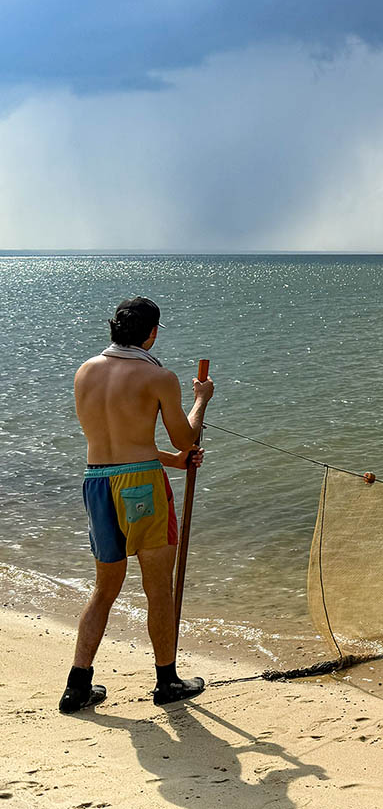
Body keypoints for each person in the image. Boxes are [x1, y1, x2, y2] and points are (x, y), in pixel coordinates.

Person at [59, 297, 215, 713]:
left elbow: (117, 444)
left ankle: (77, 685)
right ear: (152, 333)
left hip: (96, 480)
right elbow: (185, 438)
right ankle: (167, 681)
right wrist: (202, 399)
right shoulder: (158, 376)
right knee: (157, 587)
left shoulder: (85, 371)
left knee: (104, 588)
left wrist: (173, 461)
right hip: (142, 485)